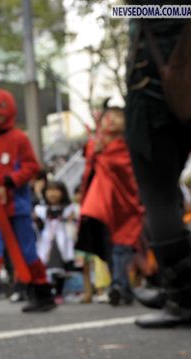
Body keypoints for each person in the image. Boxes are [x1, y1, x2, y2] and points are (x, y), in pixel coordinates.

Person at [125, 7, 191, 327]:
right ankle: (178, 288)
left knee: (159, 196)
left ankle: (184, 297)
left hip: (157, 95)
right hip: (187, 90)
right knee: (164, 196)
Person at [0, 88, 56, 315]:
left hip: (18, 206)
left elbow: (31, 167)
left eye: (0, 106)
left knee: (26, 251)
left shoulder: (19, 138)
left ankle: (43, 293)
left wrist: (9, 180)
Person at [76, 106, 145, 306]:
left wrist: (101, 153)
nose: (112, 119)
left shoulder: (128, 145)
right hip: (104, 208)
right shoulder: (96, 145)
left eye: (118, 115)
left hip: (125, 207)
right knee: (111, 249)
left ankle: (120, 285)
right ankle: (122, 287)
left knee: (122, 248)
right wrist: (96, 152)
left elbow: (127, 172)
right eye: (108, 115)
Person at [35, 180, 79, 301]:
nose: (52, 194)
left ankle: (58, 292)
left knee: (59, 267)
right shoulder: (41, 209)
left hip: (62, 240)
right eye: (49, 190)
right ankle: (48, 292)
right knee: (45, 266)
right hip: (46, 240)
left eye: (56, 190)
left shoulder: (69, 209)